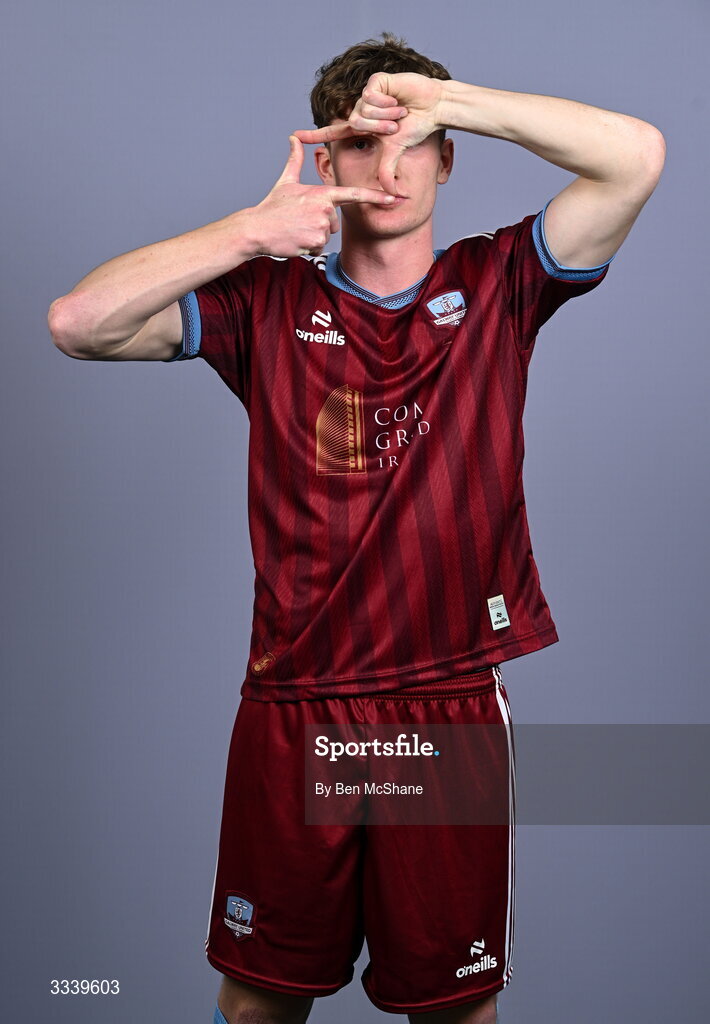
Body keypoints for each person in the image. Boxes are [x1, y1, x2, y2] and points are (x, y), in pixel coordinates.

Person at [47, 32, 665, 1024]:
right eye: (358, 143)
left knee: (453, 1011)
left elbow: (635, 155)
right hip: (299, 704)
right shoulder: (265, 301)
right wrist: (248, 232)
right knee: (256, 1003)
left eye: (410, 141)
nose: (387, 167)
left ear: (444, 153)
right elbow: (79, 320)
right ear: (322, 160)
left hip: (442, 706)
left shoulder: (500, 282)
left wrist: (445, 98)